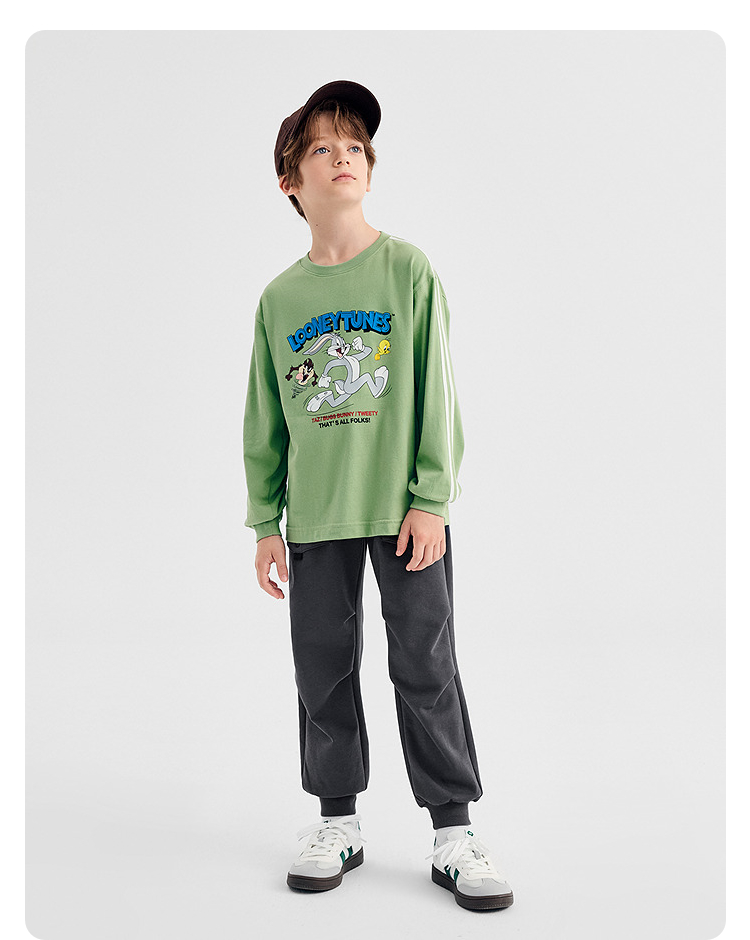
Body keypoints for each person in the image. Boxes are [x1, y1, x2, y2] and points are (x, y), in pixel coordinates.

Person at [242, 79, 514, 912]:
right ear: (290, 181)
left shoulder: (407, 270)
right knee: (322, 670)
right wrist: (265, 520)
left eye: (356, 146)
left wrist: (433, 498)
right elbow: (265, 417)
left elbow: (438, 393)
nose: (344, 157)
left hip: (405, 515)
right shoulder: (281, 299)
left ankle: (454, 831)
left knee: (425, 664)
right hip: (316, 517)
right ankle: (338, 822)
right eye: (323, 147)